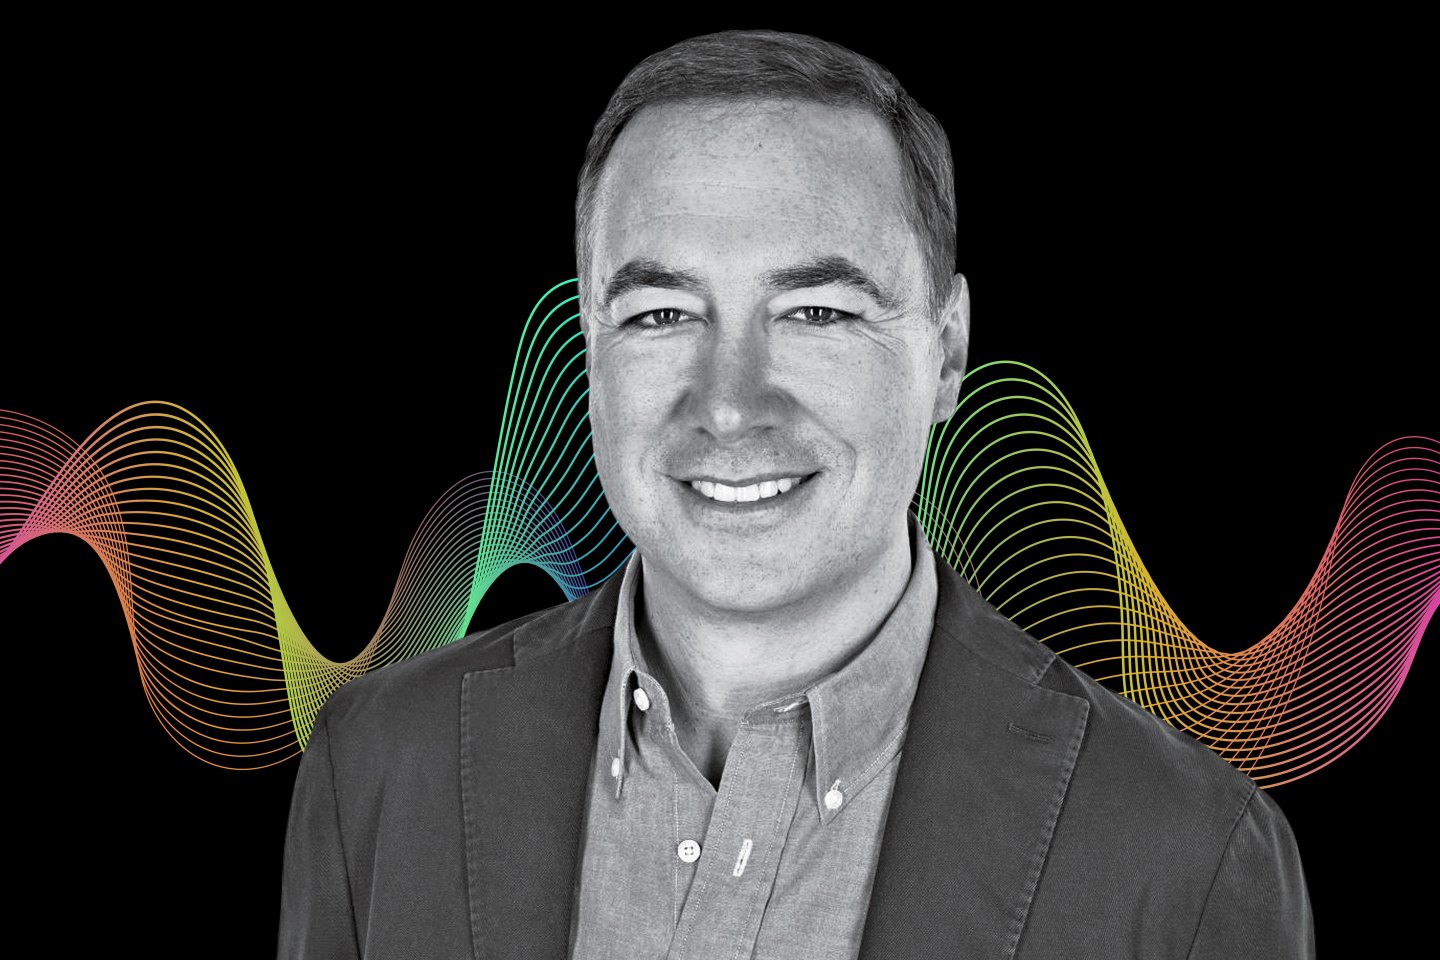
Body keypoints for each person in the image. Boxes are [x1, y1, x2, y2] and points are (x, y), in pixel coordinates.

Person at [278, 29, 1314, 959]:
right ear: (589, 348)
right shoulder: (375, 768)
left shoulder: (1187, 857)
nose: (730, 406)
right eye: (660, 314)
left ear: (948, 353)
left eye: (816, 313)